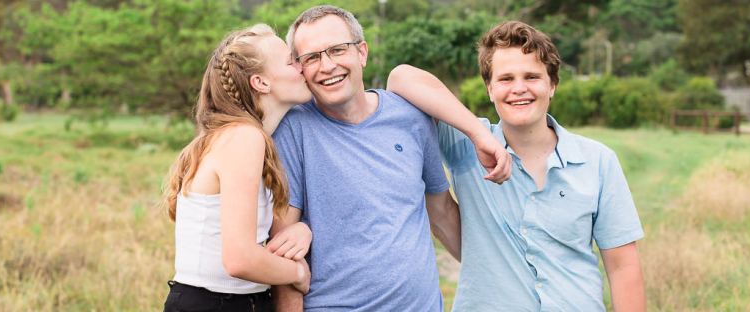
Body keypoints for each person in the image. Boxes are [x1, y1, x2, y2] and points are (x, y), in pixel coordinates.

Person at [389, 21, 646, 311]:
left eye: (532, 77)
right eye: (506, 79)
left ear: (552, 85)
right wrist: (478, 133)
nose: (519, 89)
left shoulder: (598, 161)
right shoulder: (466, 146)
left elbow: (623, 267)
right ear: (489, 89)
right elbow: (400, 78)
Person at [270, 5, 511, 312]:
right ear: (301, 67)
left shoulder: (408, 116)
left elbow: (441, 211)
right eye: (312, 57)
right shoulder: (293, 130)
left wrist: (501, 270)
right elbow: (284, 248)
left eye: (337, 50)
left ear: (362, 53)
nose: (327, 66)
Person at [161, 24, 314, 312]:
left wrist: (302, 231)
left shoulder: (240, 137)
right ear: (261, 83)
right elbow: (240, 259)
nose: (302, 66)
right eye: (291, 61)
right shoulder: (245, 138)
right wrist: (298, 273)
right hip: (217, 304)